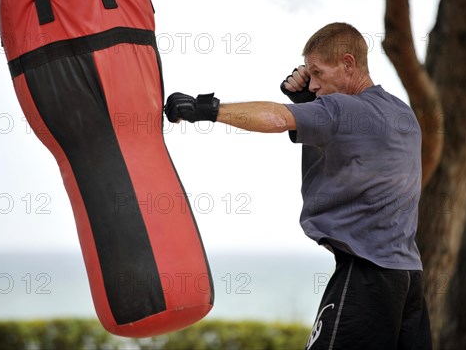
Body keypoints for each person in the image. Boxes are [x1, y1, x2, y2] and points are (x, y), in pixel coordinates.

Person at [164, 22, 432, 350]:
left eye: (318, 73)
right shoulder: (400, 113)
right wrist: (310, 105)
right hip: (409, 279)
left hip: (366, 275)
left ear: (349, 64)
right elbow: (355, 154)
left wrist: (206, 110)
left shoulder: (341, 108)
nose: (315, 84)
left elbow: (277, 118)